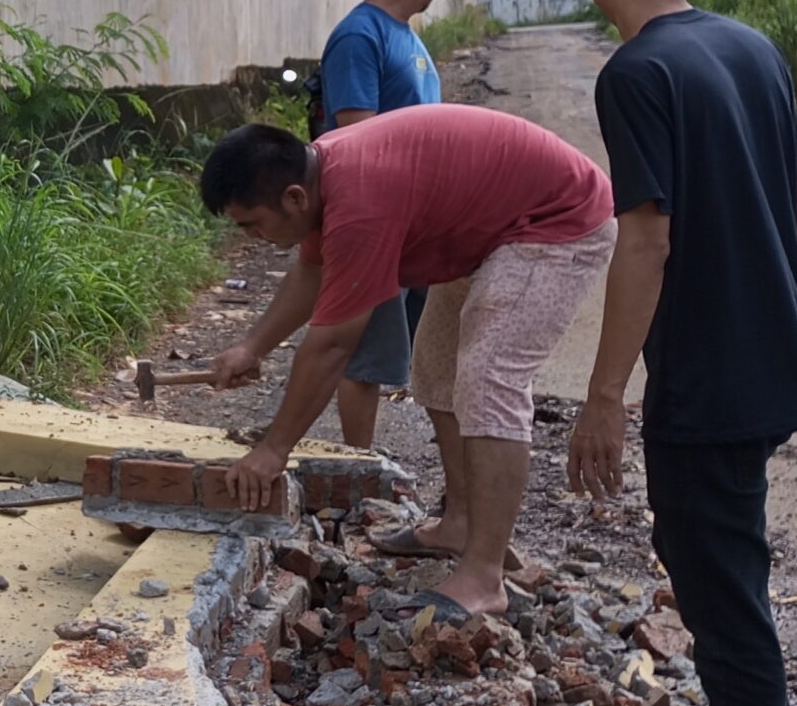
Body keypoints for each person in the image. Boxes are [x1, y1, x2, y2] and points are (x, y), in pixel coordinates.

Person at [566, 0, 797, 706]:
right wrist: (789, 327)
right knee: (732, 569)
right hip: (768, 355)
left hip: (705, 376)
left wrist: (601, 399)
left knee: (719, 592)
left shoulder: (635, 73)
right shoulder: (752, 47)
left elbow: (646, 238)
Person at [198, 106, 615, 620]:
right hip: (487, 229)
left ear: (293, 198)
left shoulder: (358, 200)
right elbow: (312, 271)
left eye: (252, 225)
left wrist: (273, 449)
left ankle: (484, 577)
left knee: (489, 381)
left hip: (555, 220)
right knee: (436, 369)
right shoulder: (322, 182)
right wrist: (251, 347)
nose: (252, 238)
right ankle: (460, 522)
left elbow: (331, 347)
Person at [317, 0, 448, 447]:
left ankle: (364, 462)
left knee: (403, 347)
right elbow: (357, 137)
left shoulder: (404, 35)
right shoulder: (359, 35)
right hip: (379, 220)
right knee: (366, 354)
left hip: (417, 222)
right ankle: (356, 464)